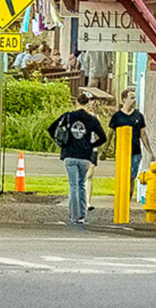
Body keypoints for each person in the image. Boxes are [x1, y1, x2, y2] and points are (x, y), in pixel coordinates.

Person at [47, 91, 107, 225]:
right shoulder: (92, 119)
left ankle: (74, 216)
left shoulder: (68, 116)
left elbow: (51, 128)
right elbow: (103, 137)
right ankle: (82, 215)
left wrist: (61, 143)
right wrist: (91, 145)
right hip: (85, 156)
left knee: (73, 185)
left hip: (70, 154)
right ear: (88, 103)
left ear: (76, 102)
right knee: (81, 185)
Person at [109, 88, 154, 198]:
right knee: (123, 175)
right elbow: (109, 133)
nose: (134, 100)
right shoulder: (117, 116)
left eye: (135, 98)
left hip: (135, 151)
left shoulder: (138, 116)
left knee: (131, 175)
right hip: (121, 151)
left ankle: (128, 197)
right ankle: (122, 197)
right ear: (124, 99)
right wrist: (105, 150)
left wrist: (149, 151)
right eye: (131, 98)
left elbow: (143, 134)